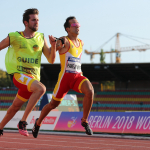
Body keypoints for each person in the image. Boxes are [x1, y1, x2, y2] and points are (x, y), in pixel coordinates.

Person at [32, 16, 94, 138]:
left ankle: (85, 121)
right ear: (67, 29)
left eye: (78, 25)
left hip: (78, 77)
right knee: (52, 105)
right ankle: (38, 123)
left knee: (90, 91)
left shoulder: (81, 42)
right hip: (65, 79)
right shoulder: (64, 41)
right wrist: (54, 45)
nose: (77, 27)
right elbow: (51, 51)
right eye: (74, 25)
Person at [0, 8, 56, 137]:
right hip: (19, 75)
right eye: (33, 20)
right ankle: (23, 121)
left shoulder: (41, 37)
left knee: (14, 107)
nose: (36, 22)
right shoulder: (15, 36)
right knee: (41, 89)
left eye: (37, 20)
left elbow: (51, 60)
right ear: (26, 22)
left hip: (32, 80)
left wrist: (53, 46)